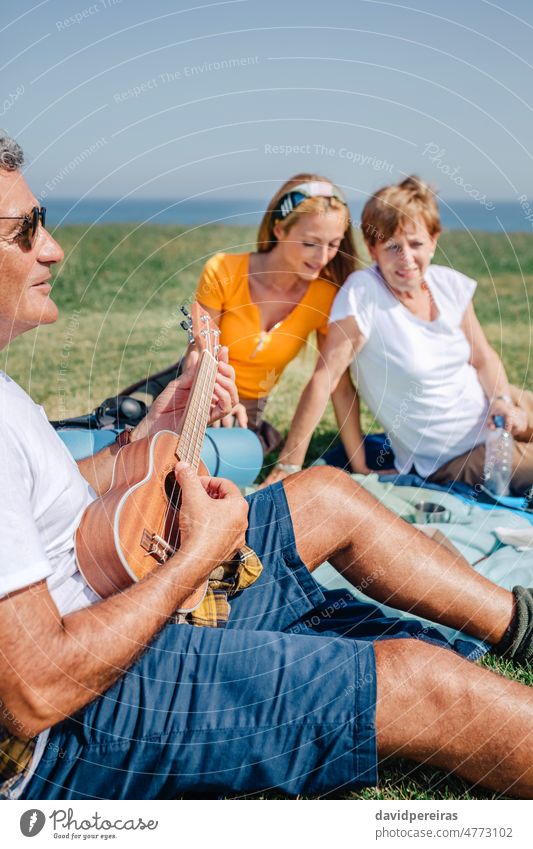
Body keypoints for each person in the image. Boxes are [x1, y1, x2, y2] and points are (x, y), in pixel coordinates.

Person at [1, 136, 533, 802]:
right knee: (419, 679)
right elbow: (36, 690)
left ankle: (519, 625)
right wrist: (194, 557)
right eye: (24, 231)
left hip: (125, 591)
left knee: (326, 496)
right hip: (84, 718)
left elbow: (55, 494)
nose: (52, 247)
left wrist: (150, 437)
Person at [265, 176, 533, 494]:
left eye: (416, 244)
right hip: (457, 455)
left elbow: (483, 358)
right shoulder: (363, 295)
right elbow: (327, 379)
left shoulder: (449, 285)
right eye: (393, 246)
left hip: (500, 408)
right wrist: (291, 465)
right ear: (373, 248)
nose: (406, 257)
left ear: (433, 241)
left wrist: (502, 400)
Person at [190, 173, 358, 455]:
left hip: (247, 413)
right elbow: (199, 352)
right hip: (198, 387)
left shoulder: (326, 296)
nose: (323, 257)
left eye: (334, 244)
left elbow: (335, 380)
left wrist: (359, 460)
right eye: (310, 243)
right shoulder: (222, 270)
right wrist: (210, 401)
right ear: (280, 230)